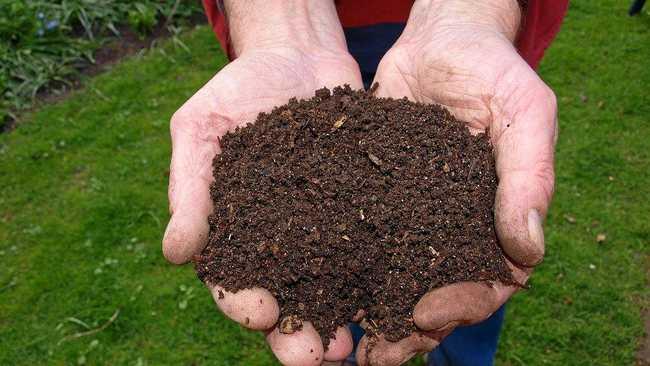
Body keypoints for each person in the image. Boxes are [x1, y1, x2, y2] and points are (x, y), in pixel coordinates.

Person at [162, 1, 568, 365]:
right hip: (309, 32)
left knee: (465, 299)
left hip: (459, 33)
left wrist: (472, 13)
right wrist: (281, 21)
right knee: (348, 321)